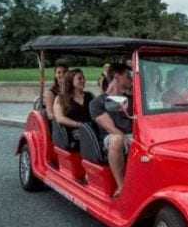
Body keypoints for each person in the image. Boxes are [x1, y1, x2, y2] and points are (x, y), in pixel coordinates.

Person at [89, 63, 133, 198]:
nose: (131, 78)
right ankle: (121, 186)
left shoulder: (131, 99)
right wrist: (132, 143)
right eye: (128, 76)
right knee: (116, 140)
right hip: (112, 136)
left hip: (133, 134)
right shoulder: (97, 103)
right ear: (117, 78)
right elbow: (111, 128)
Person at [54, 69, 94, 136]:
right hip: (72, 132)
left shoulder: (90, 95)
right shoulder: (60, 98)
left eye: (83, 78)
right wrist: (79, 125)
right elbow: (59, 118)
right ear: (70, 81)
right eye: (79, 79)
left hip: (90, 130)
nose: (83, 80)